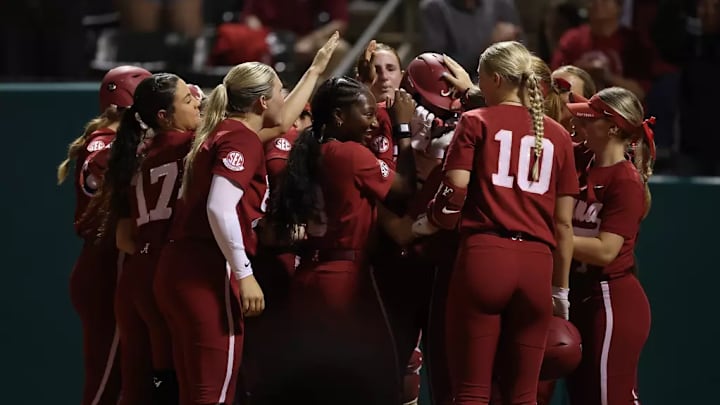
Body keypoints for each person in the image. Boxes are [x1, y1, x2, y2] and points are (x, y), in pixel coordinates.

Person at [154, 35, 339, 405]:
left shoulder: (227, 130)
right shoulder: (241, 139)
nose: (285, 98)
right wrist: (244, 273)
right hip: (207, 270)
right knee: (215, 393)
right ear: (261, 101)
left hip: (178, 268)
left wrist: (316, 68)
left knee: (195, 392)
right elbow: (219, 208)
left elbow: (284, 118)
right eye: (279, 90)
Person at [413, 41, 579, 404]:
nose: (477, 83)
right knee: (524, 395)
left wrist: (433, 221)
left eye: (480, 77)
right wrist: (560, 291)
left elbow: (455, 189)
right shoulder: (559, 135)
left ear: (498, 78)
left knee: (472, 390)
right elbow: (563, 225)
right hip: (537, 262)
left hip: (485, 255)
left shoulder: (475, 121)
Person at [268, 76, 416, 404]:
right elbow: (405, 187)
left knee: (318, 385)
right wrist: (403, 129)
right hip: (345, 279)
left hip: (308, 276)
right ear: (338, 116)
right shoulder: (349, 154)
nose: (374, 120)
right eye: (365, 113)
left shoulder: (308, 147)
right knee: (376, 381)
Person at [97, 73, 200, 404]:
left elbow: (124, 236)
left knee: (148, 377)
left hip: (138, 268)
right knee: (187, 375)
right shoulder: (190, 144)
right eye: (188, 100)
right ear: (164, 116)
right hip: (168, 267)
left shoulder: (136, 153)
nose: (198, 102)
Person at [57, 65, 151, 405]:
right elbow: (101, 165)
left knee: (124, 377)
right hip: (106, 265)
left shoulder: (110, 140)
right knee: (107, 379)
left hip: (104, 264)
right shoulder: (106, 144)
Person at [564, 86, 654, 405]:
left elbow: (605, 250)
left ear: (613, 127)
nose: (581, 125)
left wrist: (553, 236)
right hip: (579, 294)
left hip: (610, 298)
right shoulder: (579, 158)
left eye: (590, 120)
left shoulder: (625, 181)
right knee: (583, 397)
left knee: (608, 399)